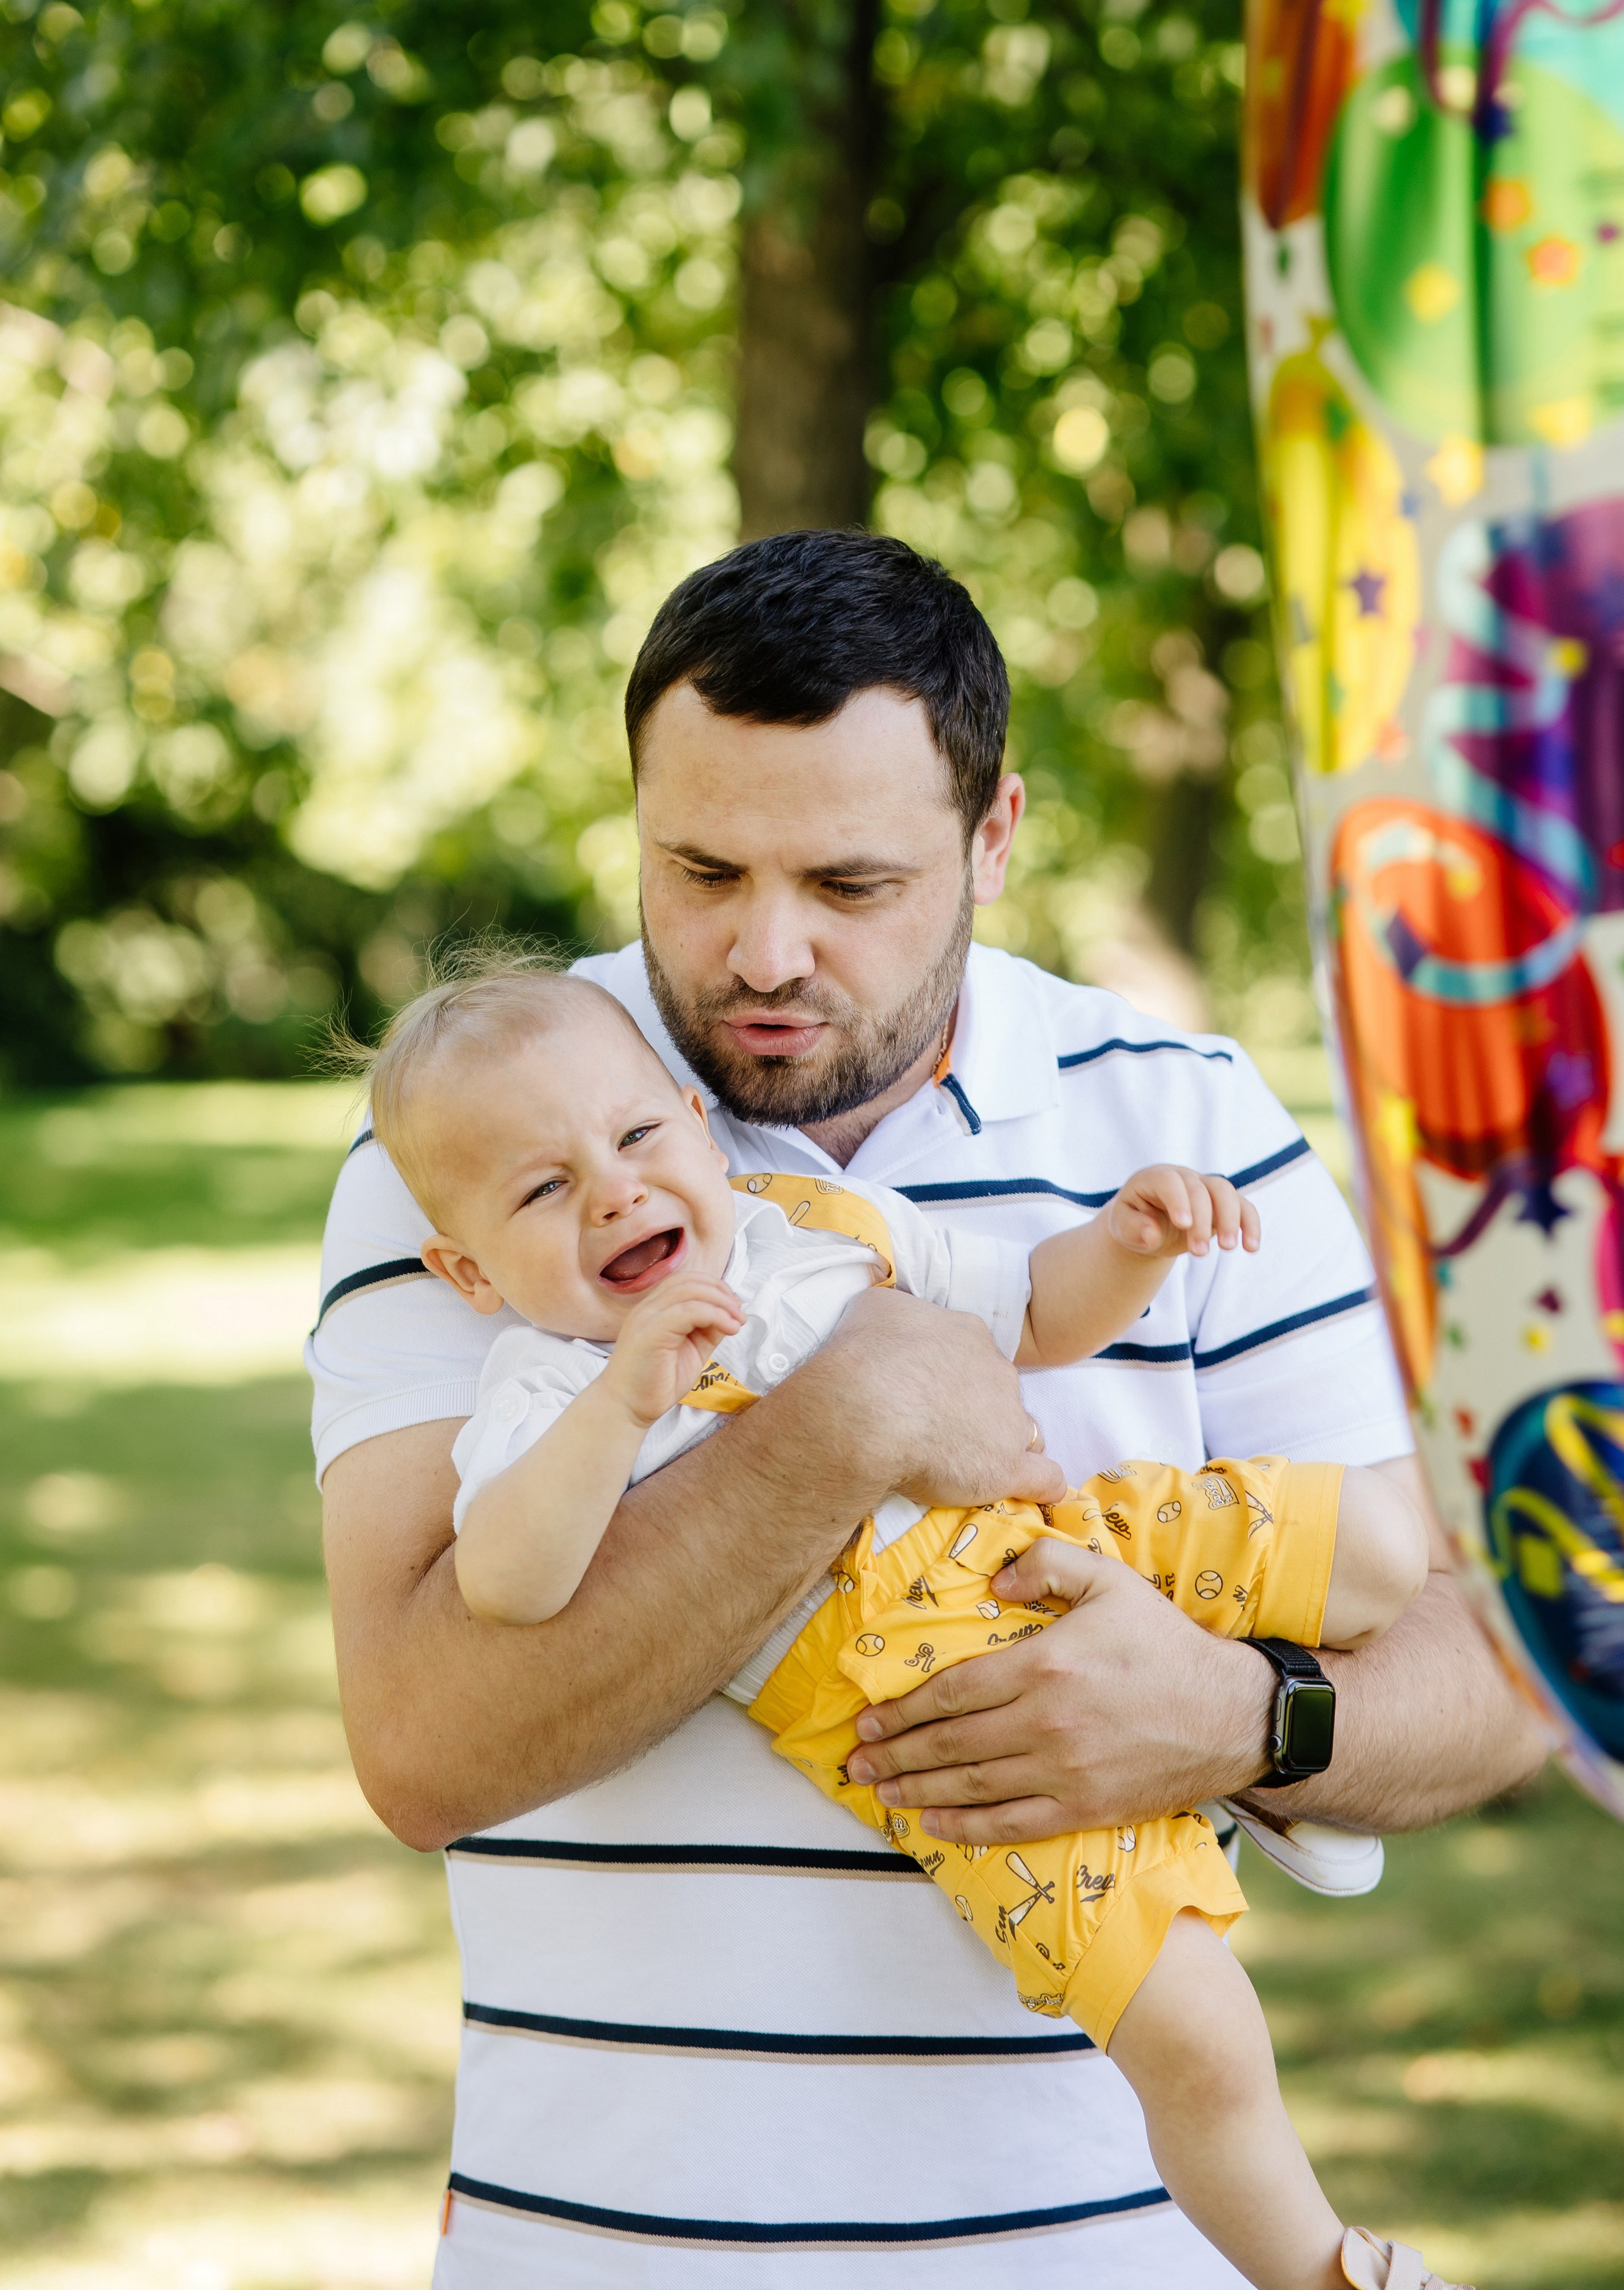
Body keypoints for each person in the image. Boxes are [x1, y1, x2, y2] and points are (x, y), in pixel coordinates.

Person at [310, 531, 1545, 2287]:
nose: (764, 950)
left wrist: (1237, 1716)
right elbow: (422, 1748)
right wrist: (846, 1420)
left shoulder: (1190, 1123)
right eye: (701, 868)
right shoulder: (478, 1147)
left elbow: (1506, 1667)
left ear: (994, 836)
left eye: (850, 883)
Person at [351, 946, 1454, 2290]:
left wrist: (1125, 1244)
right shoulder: (545, 1391)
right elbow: (510, 1582)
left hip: (1062, 1541)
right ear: (468, 1273)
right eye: (543, 1189)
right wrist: (622, 1404)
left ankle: (1253, 1745)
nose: (614, 1192)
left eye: (636, 1137)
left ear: (696, 1125)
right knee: (1201, 2034)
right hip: (938, 1707)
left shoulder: (820, 1228)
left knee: (1378, 1546)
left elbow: (1031, 1311)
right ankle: (1335, 2272)